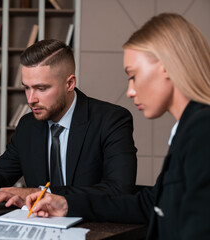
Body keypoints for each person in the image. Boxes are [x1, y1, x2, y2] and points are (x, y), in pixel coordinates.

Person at [26, 13, 210, 239]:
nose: (131, 91)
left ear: (166, 67)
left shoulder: (202, 130)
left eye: (133, 76)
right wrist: (66, 204)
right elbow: (152, 203)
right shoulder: (191, 128)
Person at [0, 39, 137, 208]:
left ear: (70, 83)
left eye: (41, 88)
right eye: (26, 87)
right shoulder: (27, 125)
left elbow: (119, 190)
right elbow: (3, 172)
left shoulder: (112, 120)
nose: (30, 99)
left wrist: (42, 193)